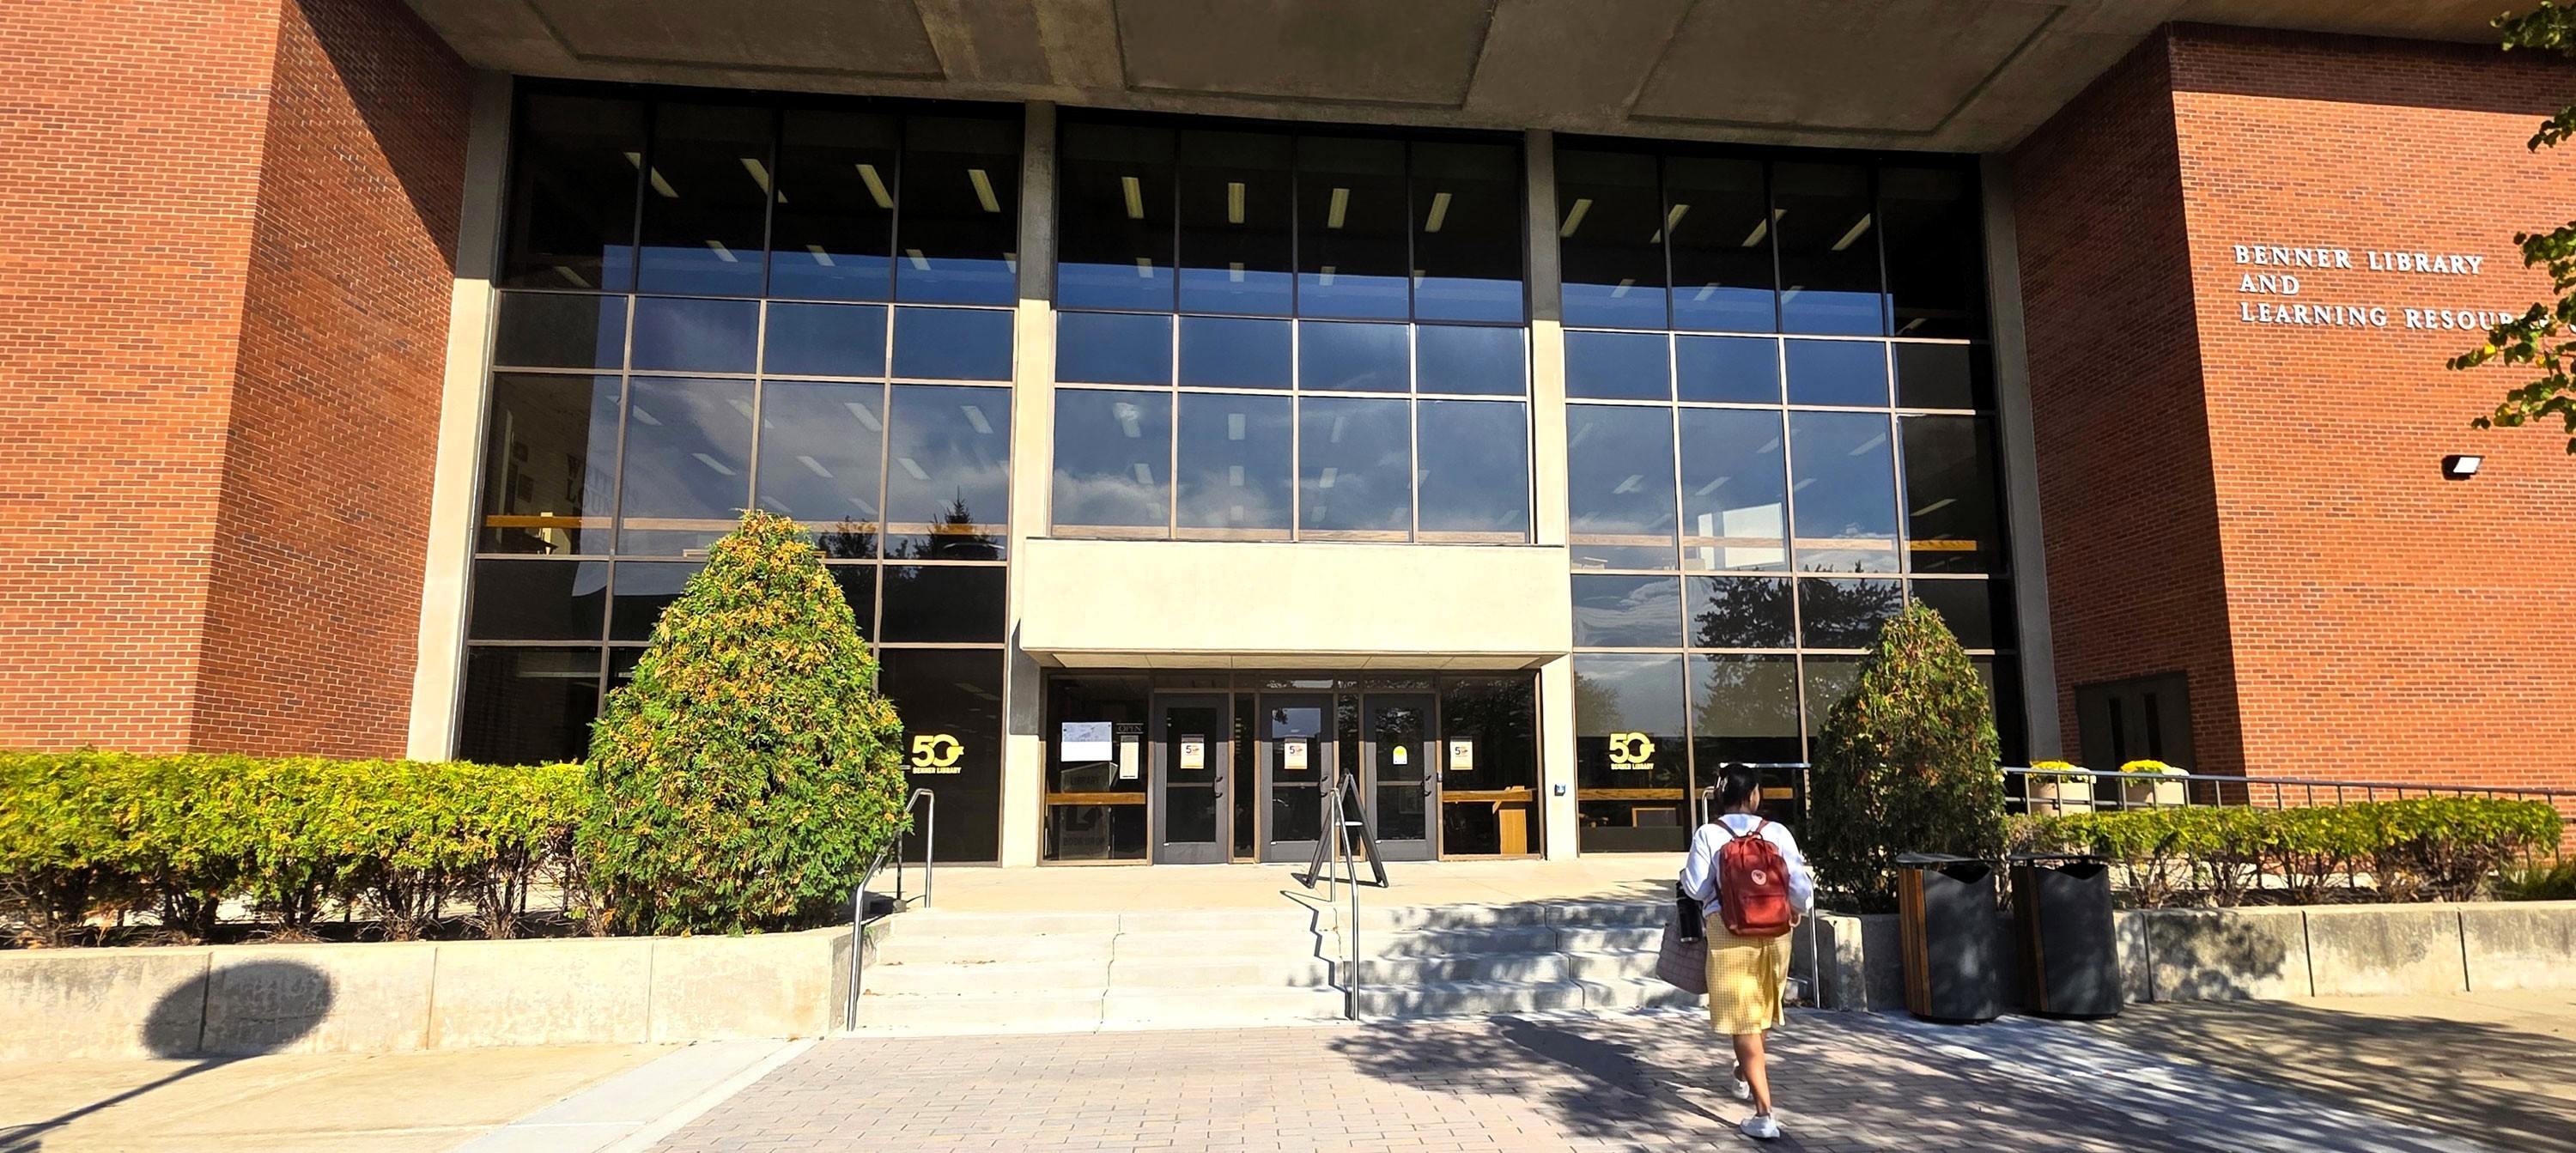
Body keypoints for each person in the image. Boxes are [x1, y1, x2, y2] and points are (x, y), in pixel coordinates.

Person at [1679, 762, 1814, 1142]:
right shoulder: (1778, 832)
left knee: (1743, 1019)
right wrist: (1794, 910)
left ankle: (1765, 1113)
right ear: (1754, 795)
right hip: (1776, 930)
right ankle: (1743, 1073)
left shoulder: (1709, 834)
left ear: (1720, 795)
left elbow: (1694, 887)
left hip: (1729, 931)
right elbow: (1801, 887)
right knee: (1763, 1011)